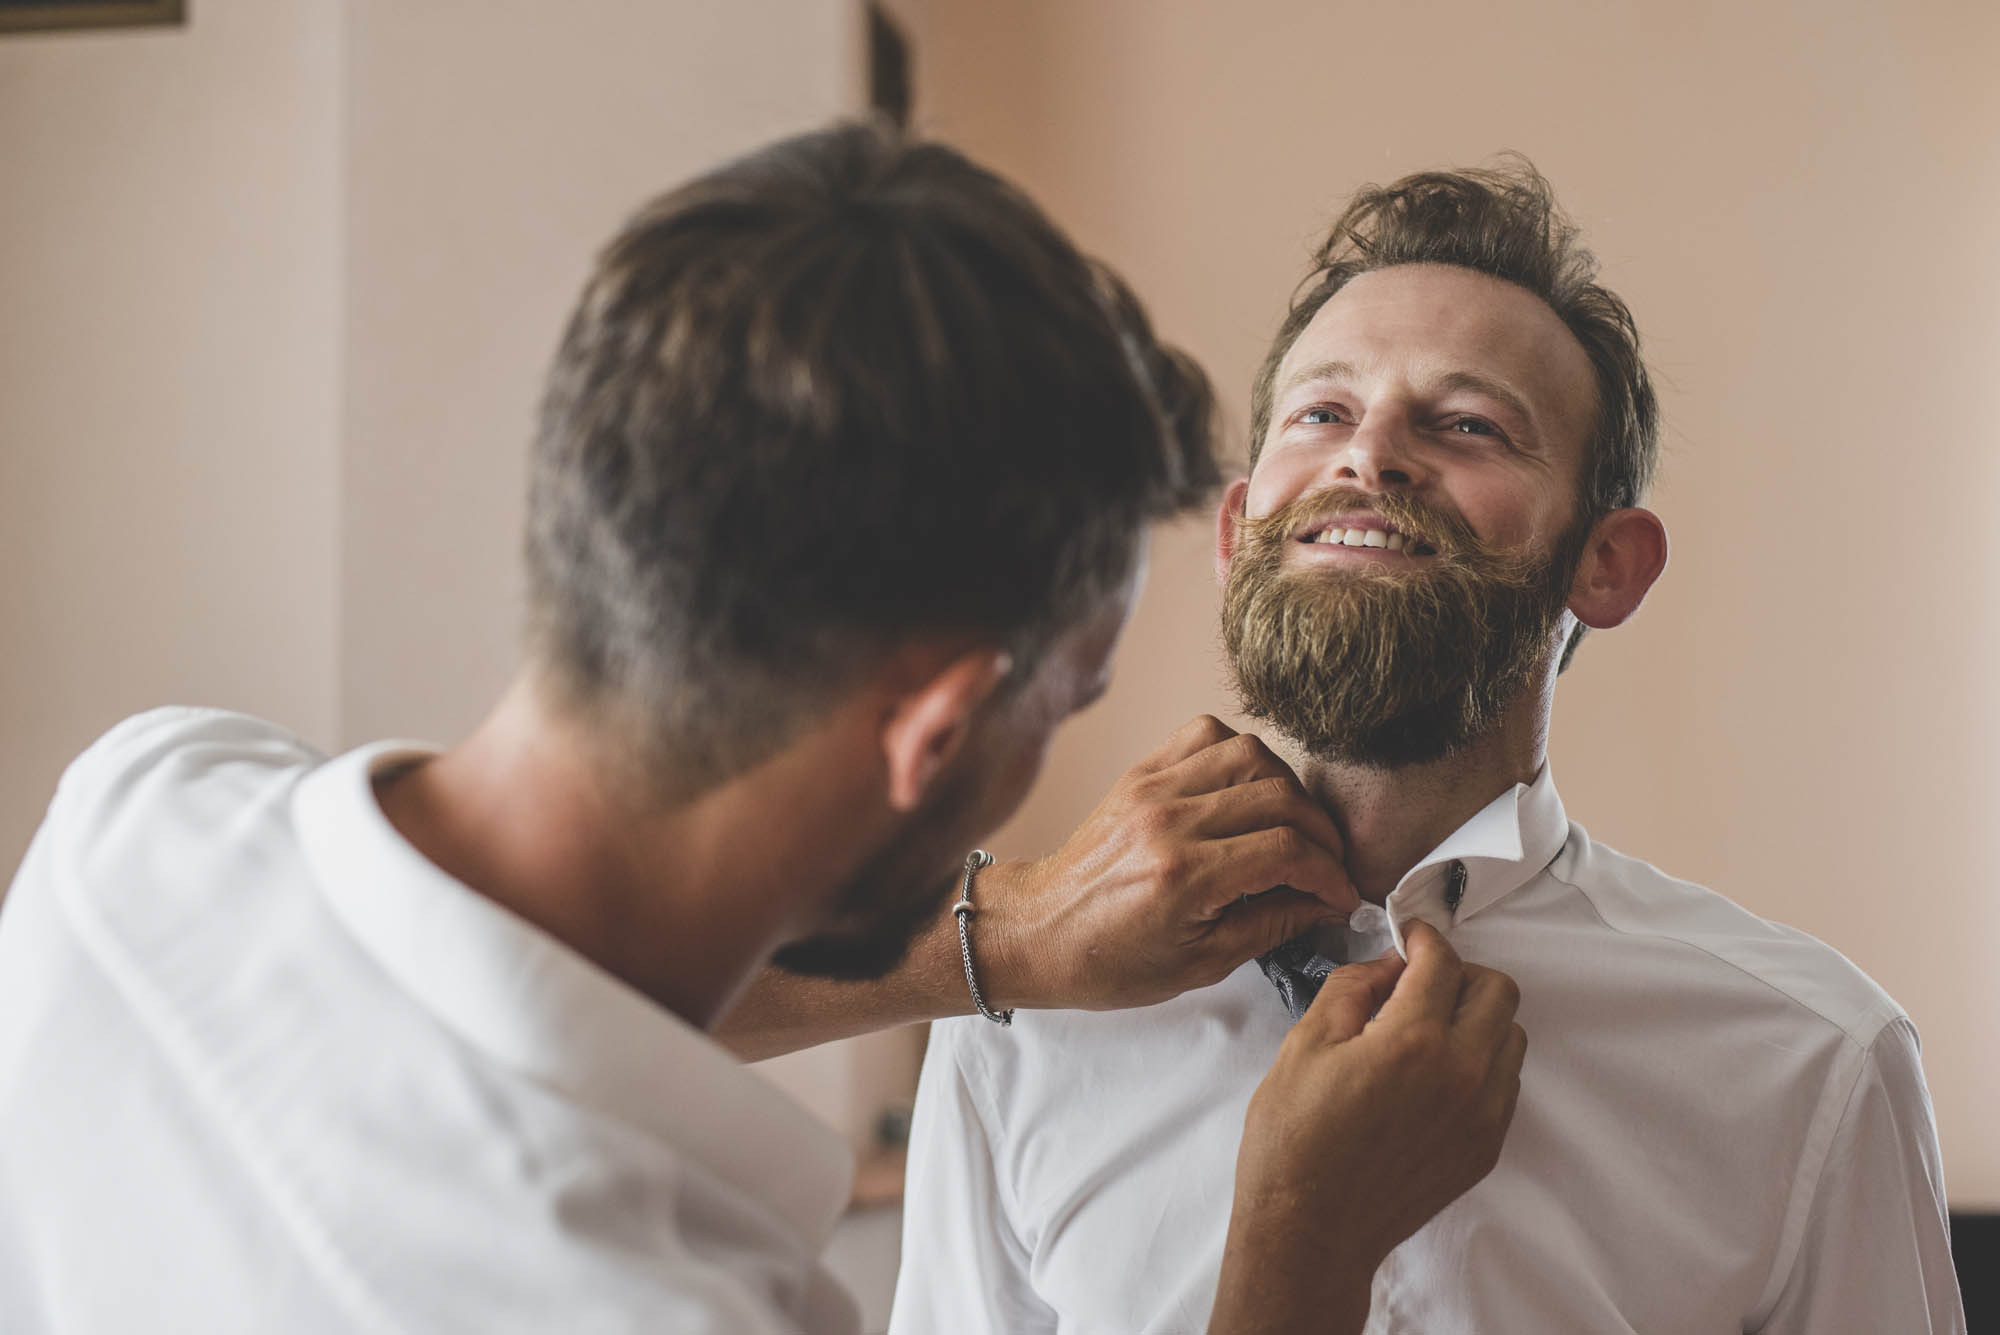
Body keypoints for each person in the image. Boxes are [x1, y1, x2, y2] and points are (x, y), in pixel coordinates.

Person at [0, 124, 1528, 1335]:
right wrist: (1299, 1249)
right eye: (1068, 696)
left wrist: (1006, 937)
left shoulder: (140, 811)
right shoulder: (655, 1300)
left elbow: (485, 964)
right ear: (935, 728)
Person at [728, 161, 1967, 1333]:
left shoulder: (1812, 1061)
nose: (1368, 454)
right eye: (1320, 410)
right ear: (1237, 526)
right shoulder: (1023, 1024)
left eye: (1469, 425)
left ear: (1604, 563)